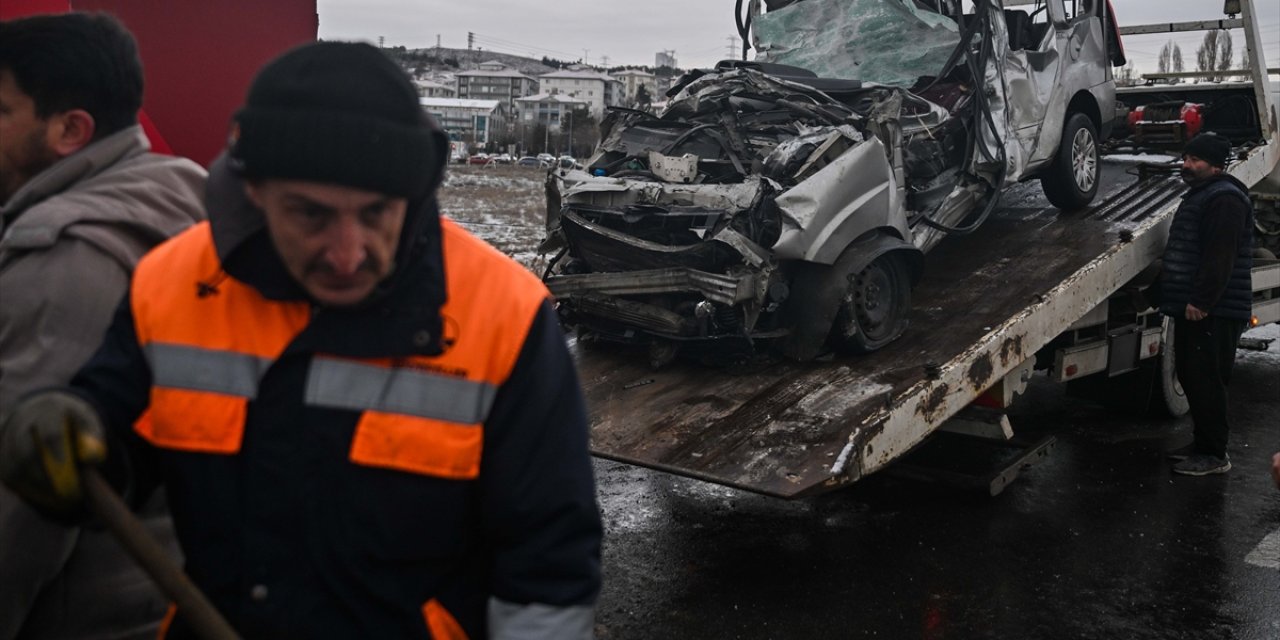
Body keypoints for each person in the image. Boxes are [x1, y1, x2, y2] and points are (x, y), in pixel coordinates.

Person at [0, 41, 602, 639]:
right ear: (255, 190)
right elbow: (123, 440)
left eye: (375, 214)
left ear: (412, 194)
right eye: (310, 215)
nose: (347, 254)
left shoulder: (503, 315)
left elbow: (547, 557)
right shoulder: (173, 285)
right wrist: (82, 428)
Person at [0, 13, 205, 640]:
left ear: (69, 130)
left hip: (77, 615)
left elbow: (22, 502)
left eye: (1, 111)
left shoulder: (70, 256)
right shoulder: (175, 190)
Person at [1158, 132, 1254, 476]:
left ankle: (1215, 454)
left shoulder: (1224, 200)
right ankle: (1203, 443)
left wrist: (1202, 301)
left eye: (1195, 160)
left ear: (1215, 166)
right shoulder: (1205, 194)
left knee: (1206, 380)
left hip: (1215, 309)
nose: (1187, 165)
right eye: (1185, 158)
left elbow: (1220, 256)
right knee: (1193, 375)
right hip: (1202, 306)